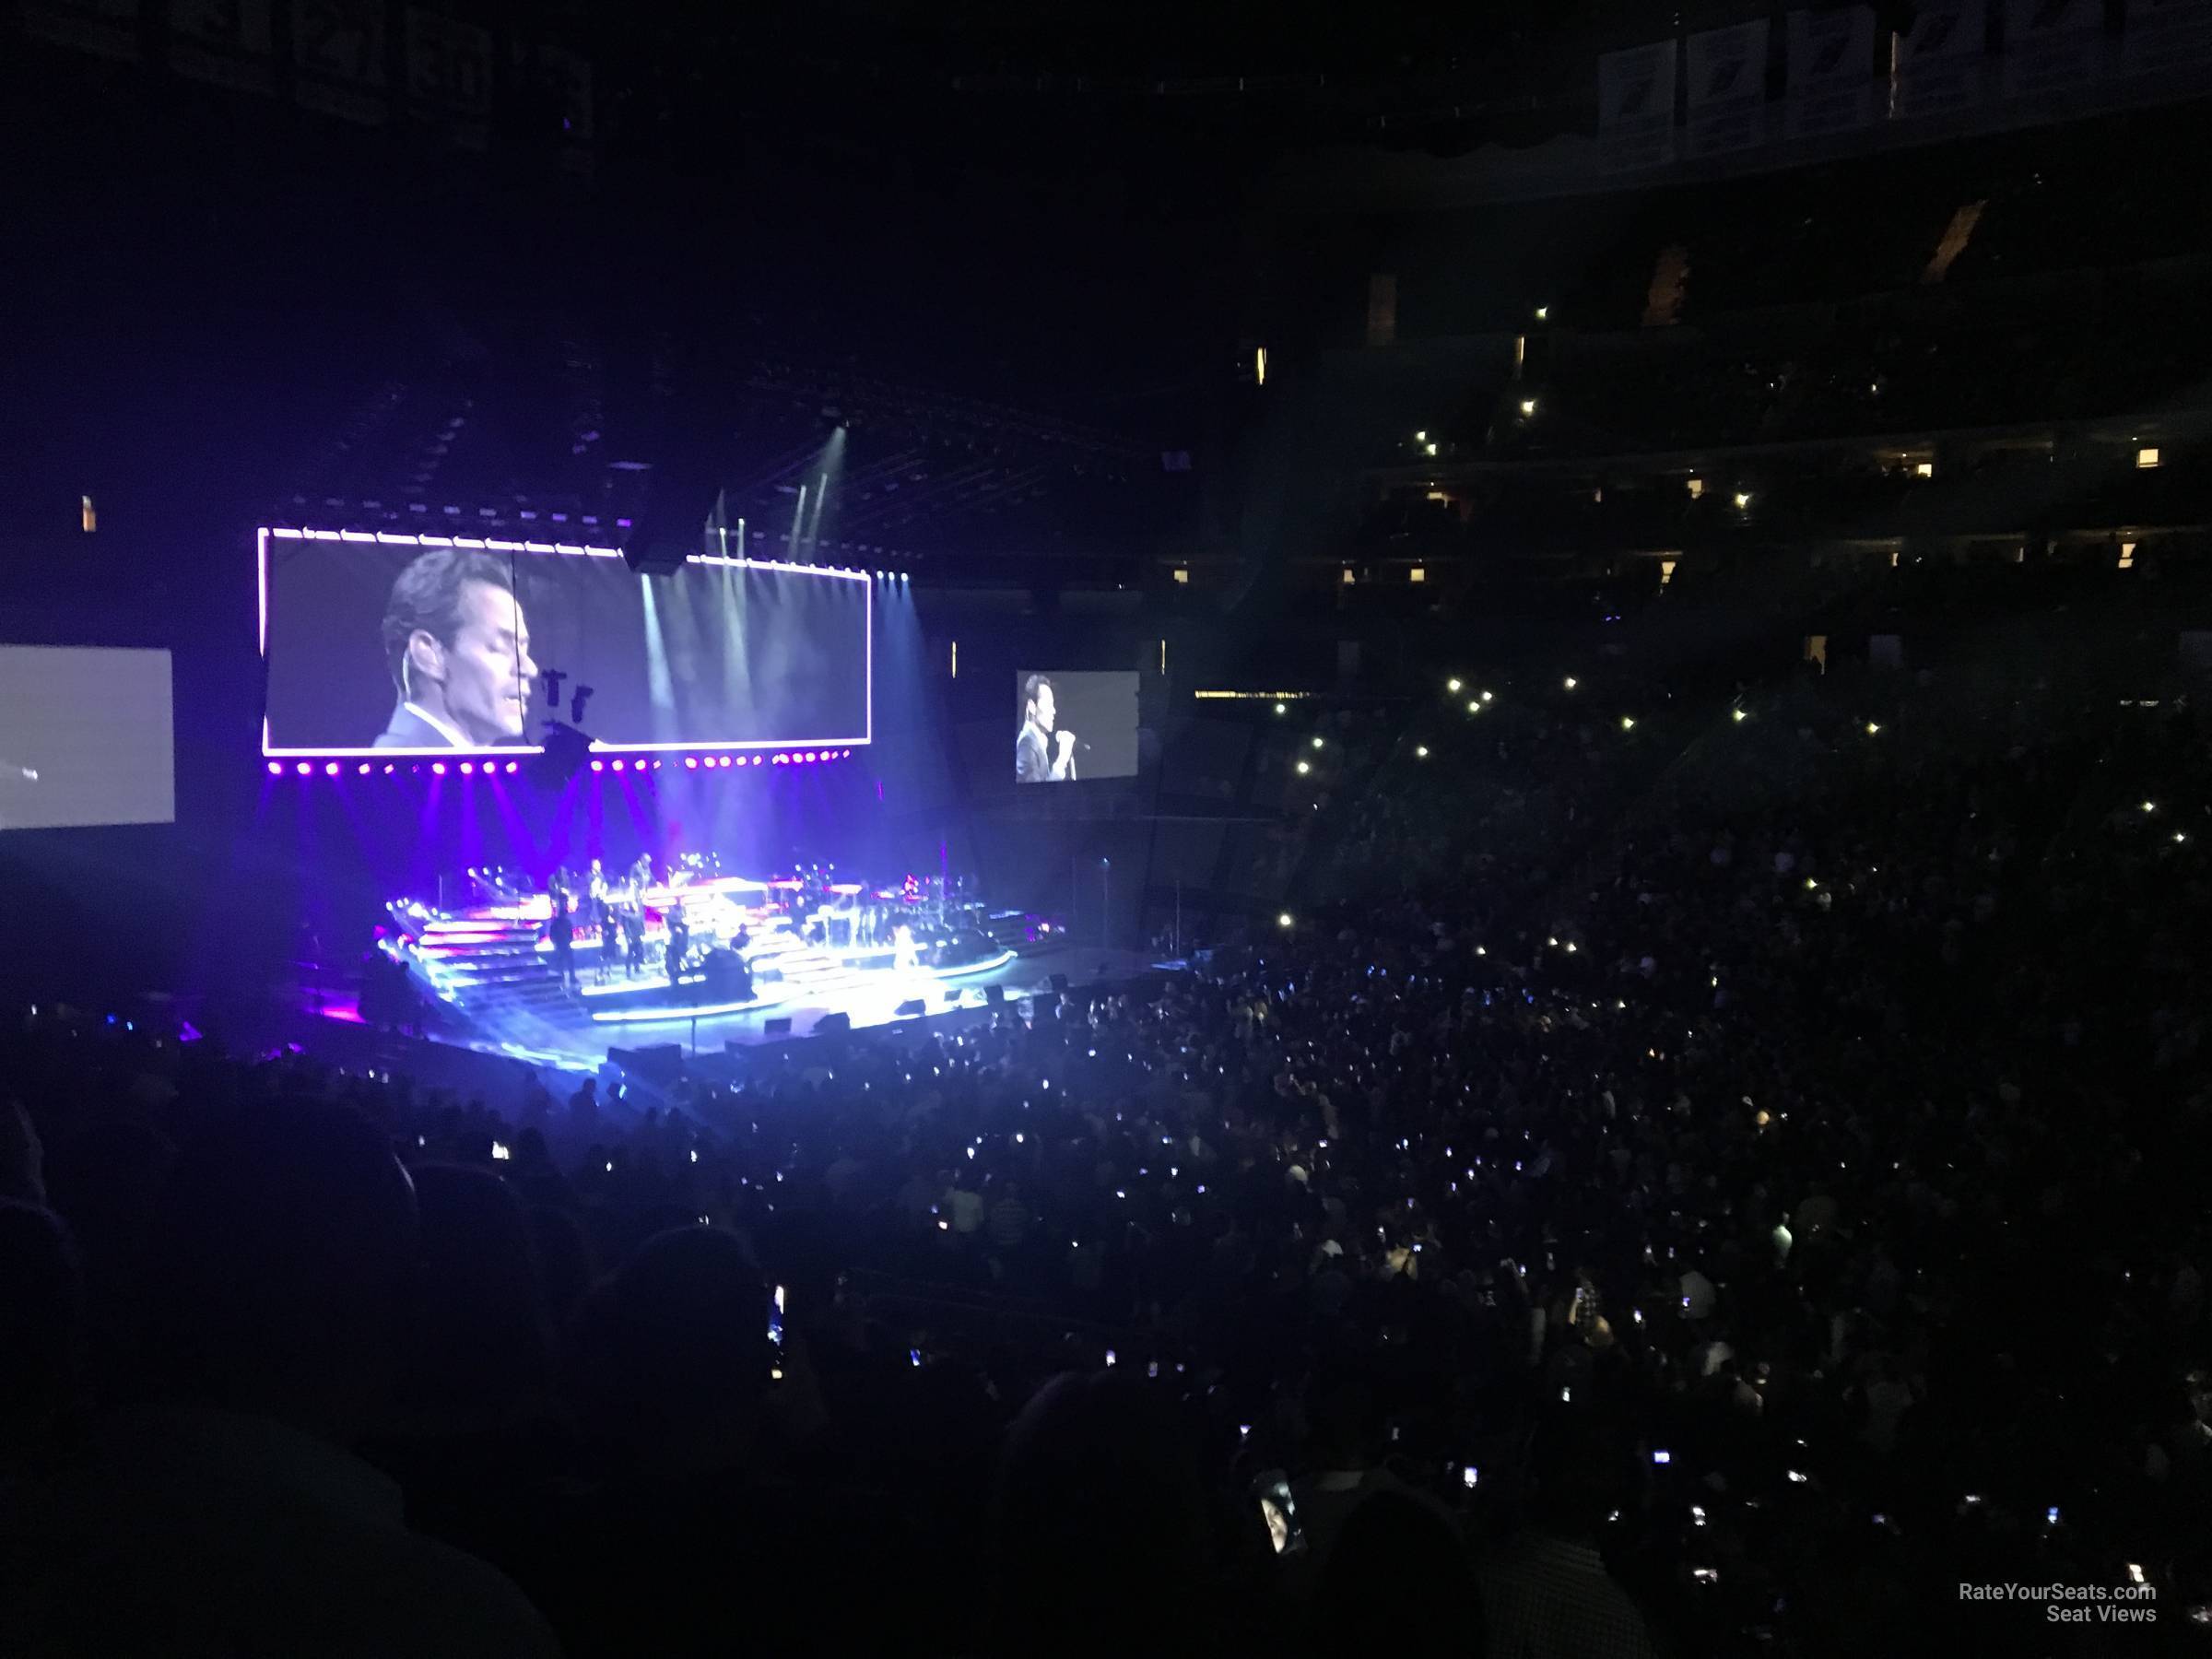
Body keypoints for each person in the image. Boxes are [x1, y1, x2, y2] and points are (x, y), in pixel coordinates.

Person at [374, 549, 536, 748]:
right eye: (501, 647)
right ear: (429, 654)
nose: (529, 668)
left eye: (523, 647)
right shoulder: (402, 773)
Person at [1016, 673, 1077, 782]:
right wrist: (1062, 758)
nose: (1054, 711)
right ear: (1032, 707)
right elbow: (1038, 795)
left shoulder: (1035, 741)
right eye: (1049, 704)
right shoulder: (1027, 744)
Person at [546, 896, 577, 990]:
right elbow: (553, 934)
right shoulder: (561, 923)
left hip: (563, 944)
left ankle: (568, 977)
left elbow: (569, 934)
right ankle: (567, 977)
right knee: (563, 962)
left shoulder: (563, 922)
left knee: (566, 962)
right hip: (562, 945)